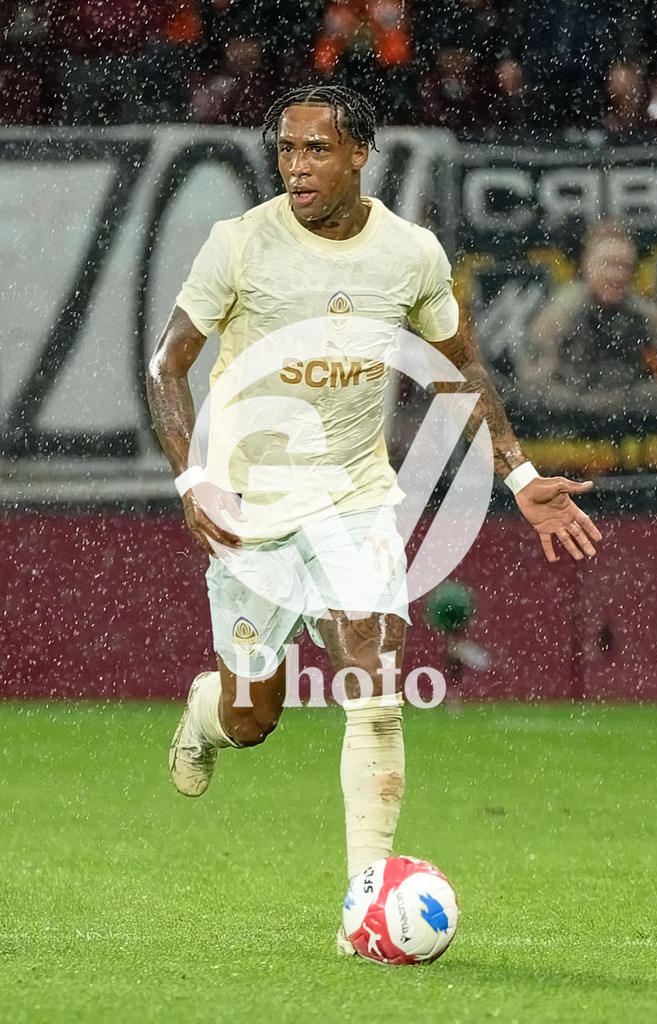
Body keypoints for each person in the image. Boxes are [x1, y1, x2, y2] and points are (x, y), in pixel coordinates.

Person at [146, 84, 602, 955]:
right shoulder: (237, 245)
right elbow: (168, 366)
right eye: (285, 150)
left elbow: (458, 367)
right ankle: (207, 714)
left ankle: (365, 903)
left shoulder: (409, 254)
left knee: (375, 685)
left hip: (355, 500)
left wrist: (520, 475)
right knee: (253, 719)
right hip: (251, 514)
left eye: (315, 150)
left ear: (360, 154)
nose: (296, 167)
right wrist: (192, 478)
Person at [524, 220, 657, 412]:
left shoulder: (641, 309)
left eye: (624, 267)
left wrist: (625, 399)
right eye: (608, 265)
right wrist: (579, 403)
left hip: (629, 402)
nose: (617, 275)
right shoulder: (564, 309)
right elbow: (533, 377)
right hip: (573, 403)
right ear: (588, 266)